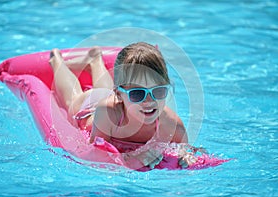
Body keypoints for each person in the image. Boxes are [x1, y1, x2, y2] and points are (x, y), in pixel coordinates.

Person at [49, 42, 194, 169]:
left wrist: (185, 155)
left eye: (159, 91)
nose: (149, 101)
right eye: (137, 94)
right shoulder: (107, 113)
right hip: (90, 109)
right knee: (72, 100)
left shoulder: (171, 124)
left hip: (113, 97)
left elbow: (187, 149)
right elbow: (95, 153)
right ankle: (56, 61)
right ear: (119, 94)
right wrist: (132, 159)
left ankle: (95, 59)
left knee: (104, 90)